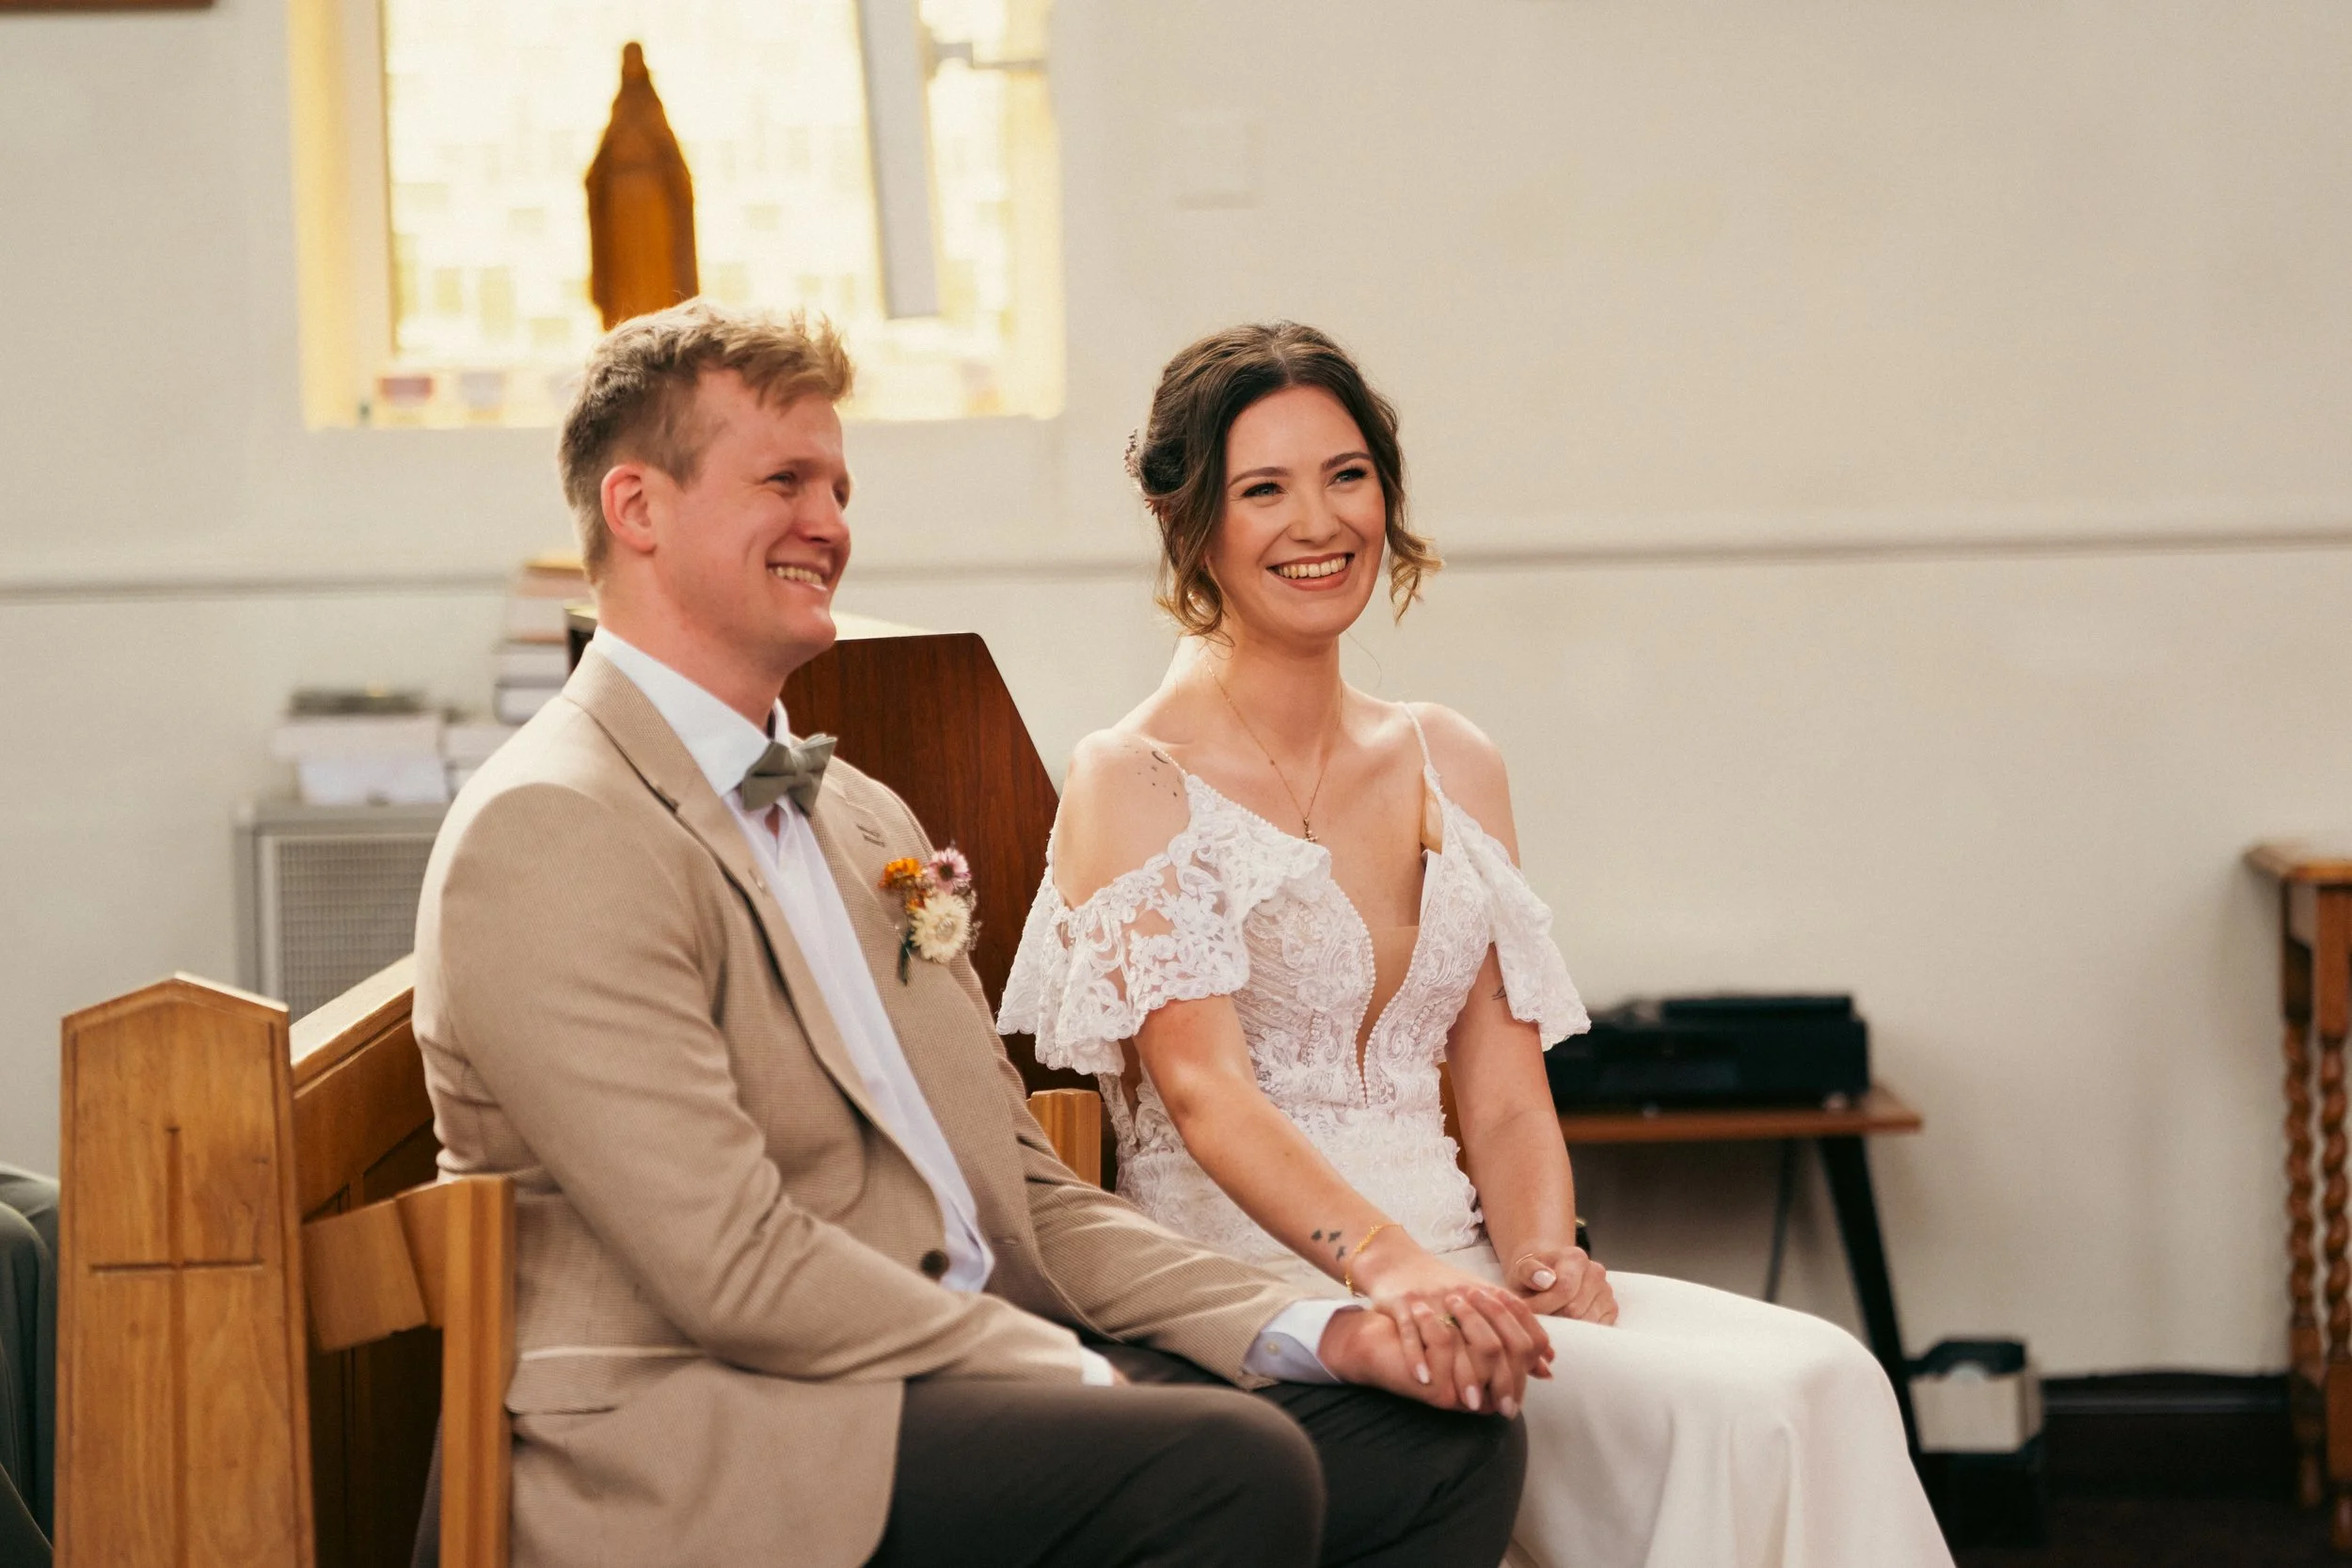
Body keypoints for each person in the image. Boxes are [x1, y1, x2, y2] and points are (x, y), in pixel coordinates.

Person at [412, 300, 1534, 1568]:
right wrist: (1079, 1376)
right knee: (1225, 1469)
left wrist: (1311, 1331)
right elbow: (728, 1265)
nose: (829, 523)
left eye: (838, 485)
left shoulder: (852, 810)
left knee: (1440, 1445)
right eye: (783, 480)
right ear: (638, 508)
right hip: (722, 1433)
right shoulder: (553, 825)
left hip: (950, 1379)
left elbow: (1027, 1195)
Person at [1000, 322, 1956, 1568]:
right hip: (1273, 1303)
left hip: (1476, 1267)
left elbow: (1503, 1097)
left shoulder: (1453, 755)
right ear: (1190, 520)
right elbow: (1207, 1094)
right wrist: (1399, 1277)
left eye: (1347, 474)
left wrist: (1546, 1255)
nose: (1319, 520)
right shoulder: (1132, 776)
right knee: (1747, 1418)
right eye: (1264, 487)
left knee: (1830, 1375)